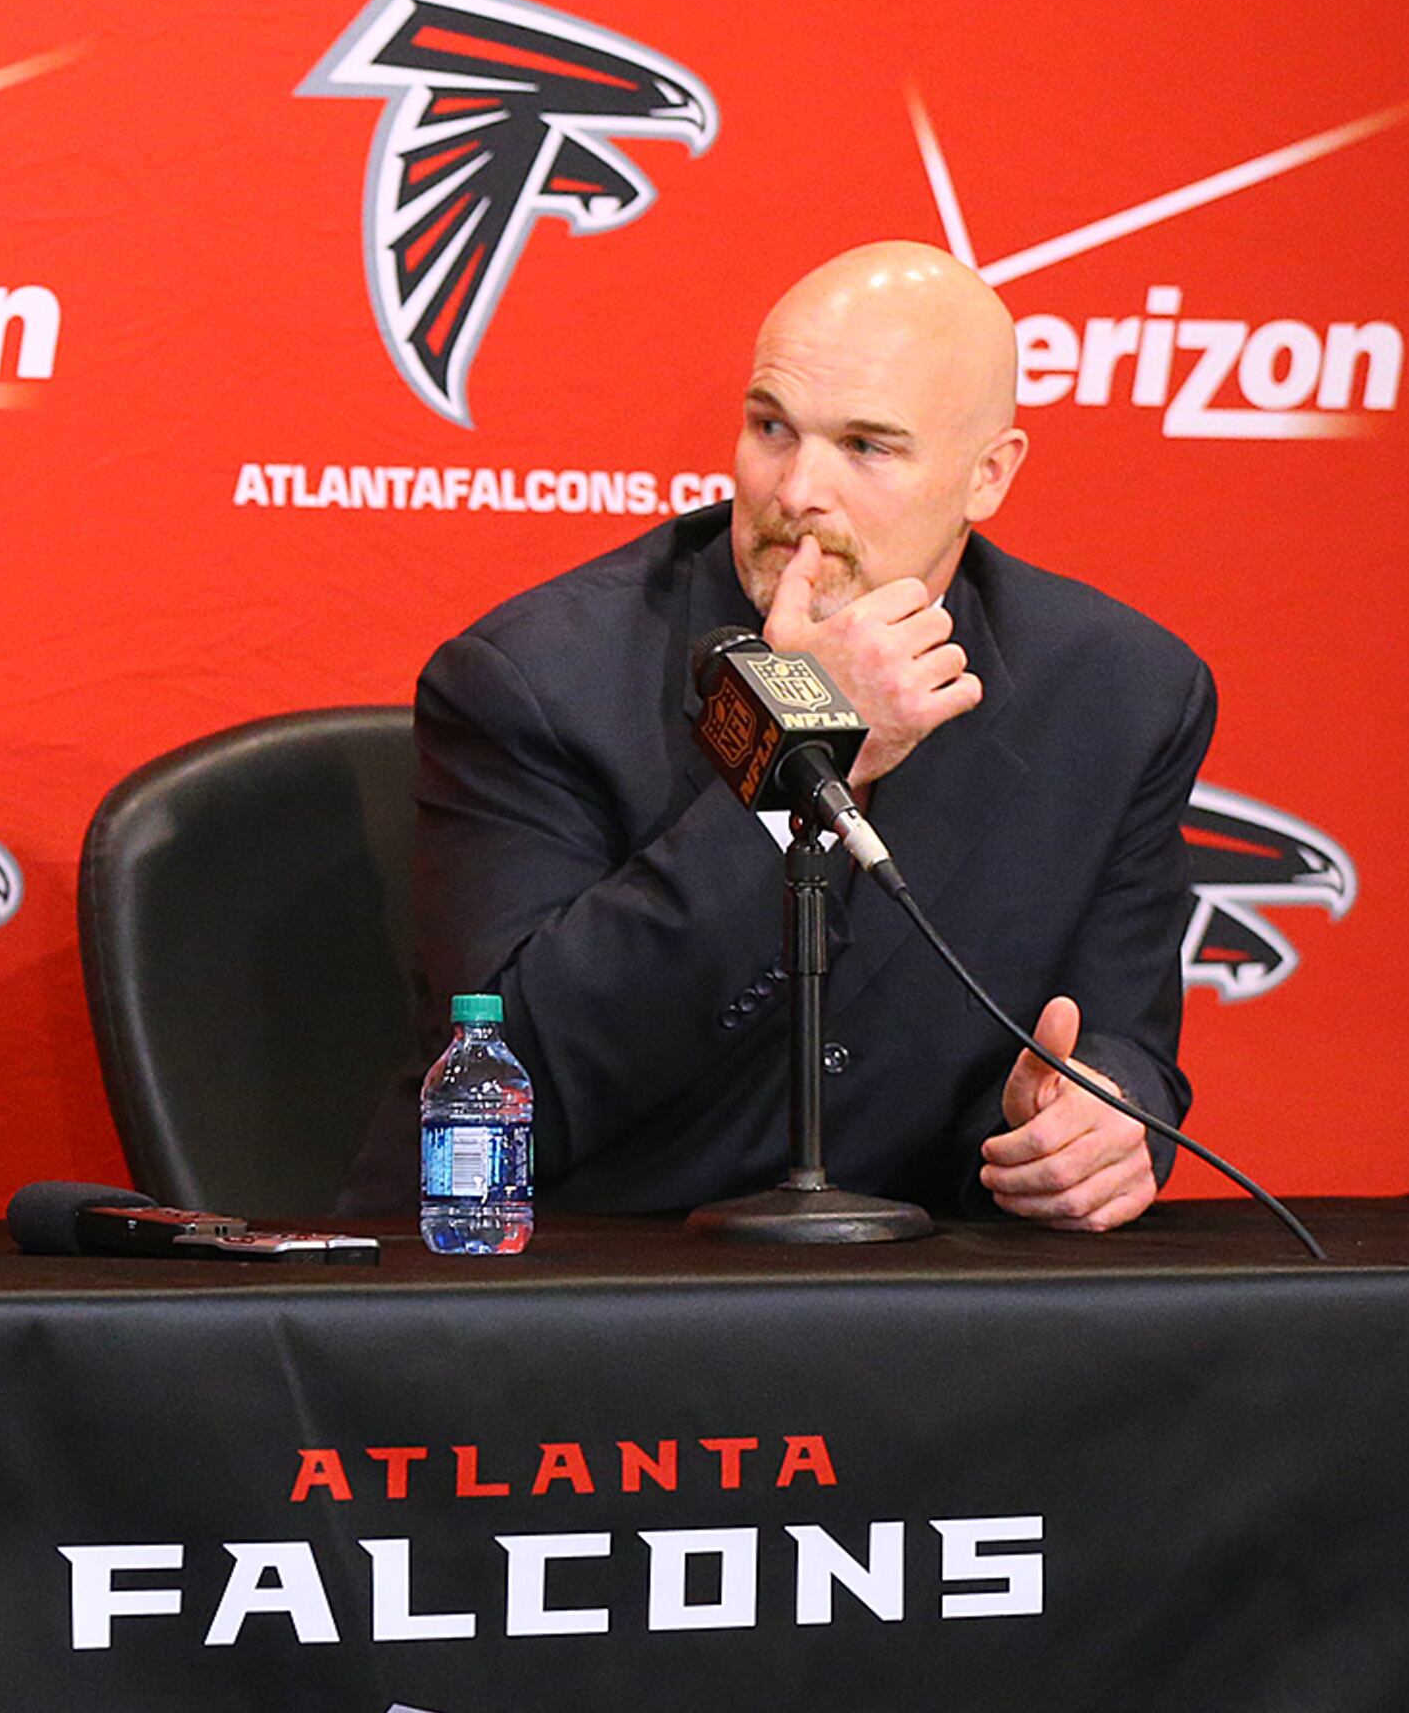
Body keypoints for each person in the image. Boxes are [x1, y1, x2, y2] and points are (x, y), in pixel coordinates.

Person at [411, 241, 1209, 1227]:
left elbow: (1120, 1033)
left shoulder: (1117, 692)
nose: (795, 492)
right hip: (590, 1284)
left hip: (930, 1304)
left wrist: (1095, 1116)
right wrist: (797, 743)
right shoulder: (538, 680)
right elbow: (514, 1087)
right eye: (771, 428)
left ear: (987, 477)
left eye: (867, 447)